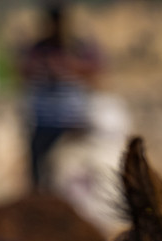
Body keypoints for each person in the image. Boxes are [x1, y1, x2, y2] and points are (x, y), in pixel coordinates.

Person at [19, 4, 102, 193]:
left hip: (71, 122)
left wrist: (67, 66)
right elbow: (23, 71)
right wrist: (44, 67)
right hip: (44, 123)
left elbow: (96, 70)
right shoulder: (39, 48)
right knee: (39, 175)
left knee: (71, 176)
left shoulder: (76, 47)